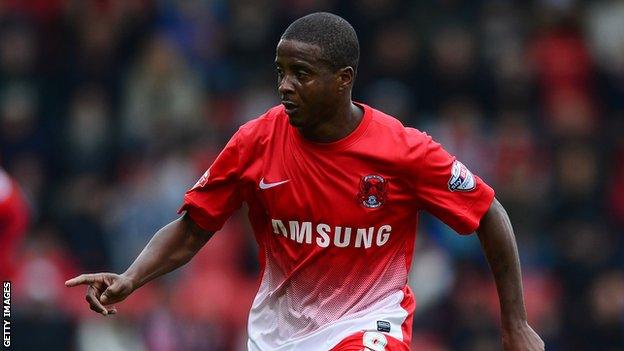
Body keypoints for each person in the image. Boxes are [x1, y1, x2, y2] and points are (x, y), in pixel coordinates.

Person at [66, 12, 545, 351]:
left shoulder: (404, 151)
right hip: (278, 332)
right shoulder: (255, 141)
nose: (285, 85)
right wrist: (131, 277)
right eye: (281, 72)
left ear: (343, 79)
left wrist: (515, 323)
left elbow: (488, 212)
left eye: (302, 73)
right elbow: (193, 228)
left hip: (369, 322)